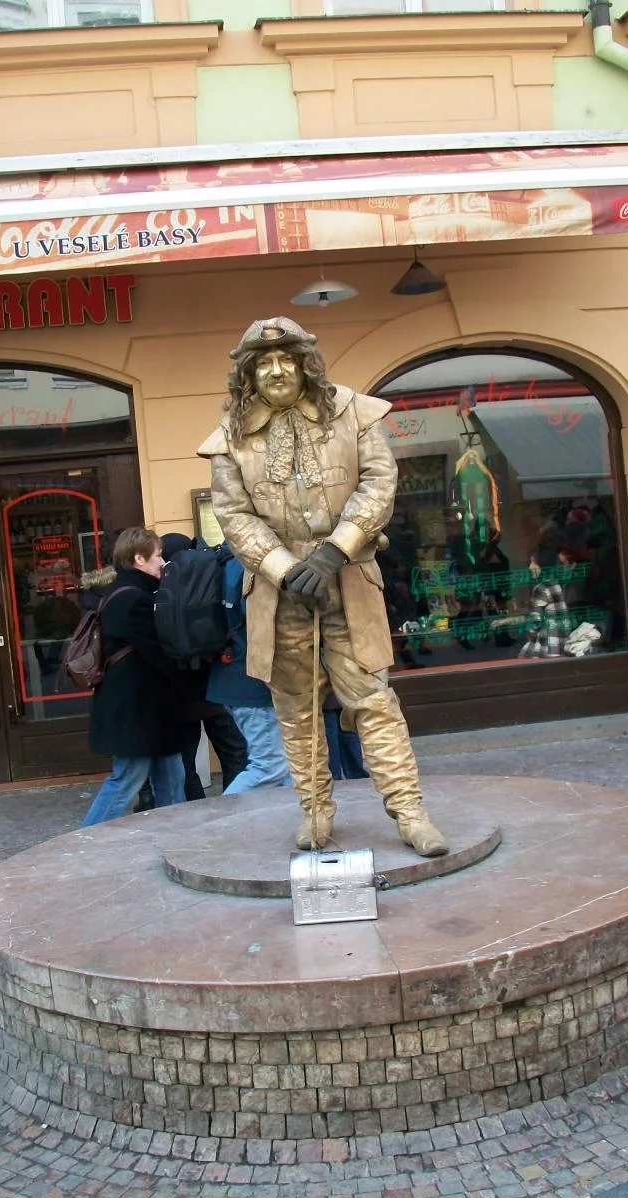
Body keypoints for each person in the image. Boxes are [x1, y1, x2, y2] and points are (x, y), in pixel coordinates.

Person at [197, 316, 447, 857]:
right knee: (296, 708)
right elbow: (233, 515)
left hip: (349, 581)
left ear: (306, 364)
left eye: (287, 359)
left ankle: (410, 812)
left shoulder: (353, 413)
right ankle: (315, 811)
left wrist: (338, 549)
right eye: (264, 363)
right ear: (248, 375)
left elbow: (379, 482)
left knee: (373, 700)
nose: (277, 370)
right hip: (279, 594)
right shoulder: (231, 437)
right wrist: (284, 568)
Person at [80, 527, 187, 826]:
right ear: (139, 558)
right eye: (158, 556)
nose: (163, 562)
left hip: (144, 708)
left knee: (170, 775)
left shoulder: (122, 592)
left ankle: (175, 835)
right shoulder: (133, 599)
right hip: (136, 709)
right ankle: (86, 839)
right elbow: (156, 653)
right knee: (128, 776)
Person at [159, 533, 248, 798]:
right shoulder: (210, 576)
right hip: (214, 683)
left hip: (180, 689)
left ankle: (195, 809)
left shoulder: (165, 586)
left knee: (186, 763)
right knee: (234, 753)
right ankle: (235, 807)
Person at [206, 544, 292, 793]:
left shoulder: (226, 561)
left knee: (288, 766)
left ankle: (295, 812)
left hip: (236, 678)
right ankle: (220, 814)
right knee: (269, 766)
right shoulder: (251, 564)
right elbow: (263, 625)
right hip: (252, 683)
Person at [518, 545, 573, 660]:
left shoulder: (540, 588)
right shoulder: (555, 584)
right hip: (561, 644)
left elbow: (535, 622)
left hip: (546, 647)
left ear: (542, 565)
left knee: (523, 657)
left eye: (533, 563)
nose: (530, 567)